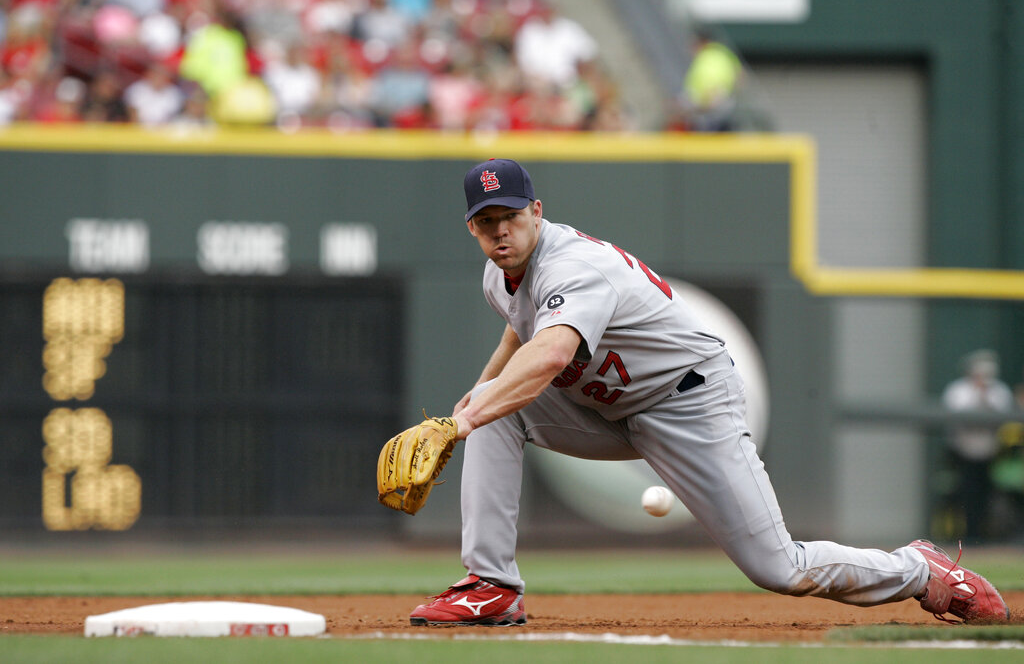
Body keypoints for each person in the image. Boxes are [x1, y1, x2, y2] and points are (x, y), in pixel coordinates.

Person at [406, 158, 1010, 627]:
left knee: (781, 568)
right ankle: (491, 587)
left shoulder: (573, 265)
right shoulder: (499, 274)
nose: (500, 230)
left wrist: (458, 423)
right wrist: (473, 401)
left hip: (687, 401)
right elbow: (521, 328)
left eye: (510, 216)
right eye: (486, 222)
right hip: (608, 407)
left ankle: (919, 571)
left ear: (537, 211)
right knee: (488, 411)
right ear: (472, 228)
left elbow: (553, 351)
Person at [941, 349, 1015, 541]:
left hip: (991, 453)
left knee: (988, 496)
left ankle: (986, 536)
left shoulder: (999, 390)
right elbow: (956, 413)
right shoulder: (958, 389)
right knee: (964, 495)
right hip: (962, 453)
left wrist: (985, 393)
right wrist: (976, 392)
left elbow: (1002, 413)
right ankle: (966, 536)